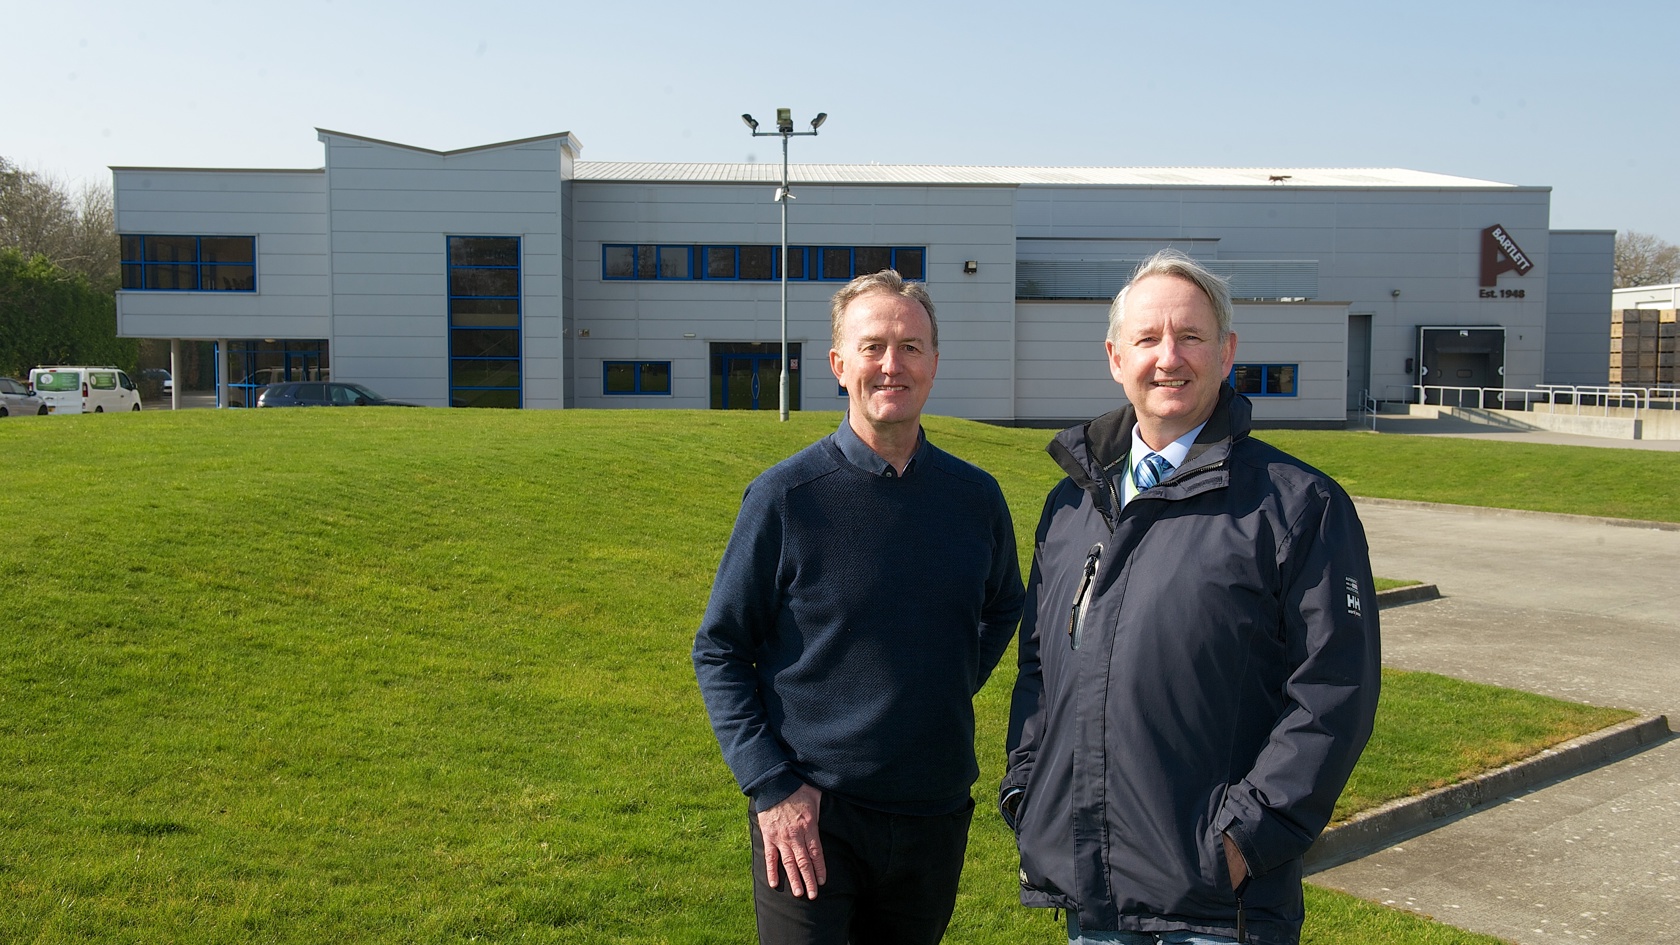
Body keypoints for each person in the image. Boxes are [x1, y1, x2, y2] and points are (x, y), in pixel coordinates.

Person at [1000, 250, 1381, 945]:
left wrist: (1241, 840)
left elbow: (1334, 692)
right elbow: (1039, 670)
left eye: (1191, 336)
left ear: (1227, 351)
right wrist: (1028, 790)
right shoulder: (1070, 507)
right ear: (1117, 357)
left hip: (1214, 911)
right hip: (1090, 904)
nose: (1167, 357)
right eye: (1147, 339)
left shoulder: (1298, 506)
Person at [694, 269, 1027, 945]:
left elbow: (1002, 607)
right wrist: (772, 785)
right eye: (872, 346)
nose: (891, 364)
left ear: (934, 363)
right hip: (812, 813)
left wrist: (944, 681)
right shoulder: (786, 498)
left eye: (910, 346)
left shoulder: (975, 498)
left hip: (933, 809)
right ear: (838, 365)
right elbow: (720, 647)